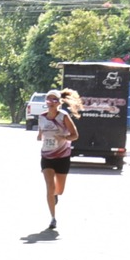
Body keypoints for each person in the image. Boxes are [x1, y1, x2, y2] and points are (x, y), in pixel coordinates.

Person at [36, 89, 79, 230]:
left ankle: (55, 195)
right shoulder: (41, 117)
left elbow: (75, 135)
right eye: (49, 99)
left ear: (59, 102)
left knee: (59, 190)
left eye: (54, 100)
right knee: (49, 187)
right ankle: (53, 218)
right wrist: (40, 136)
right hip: (46, 156)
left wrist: (64, 137)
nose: (51, 102)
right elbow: (41, 132)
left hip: (62, 156)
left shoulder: (63, 116)